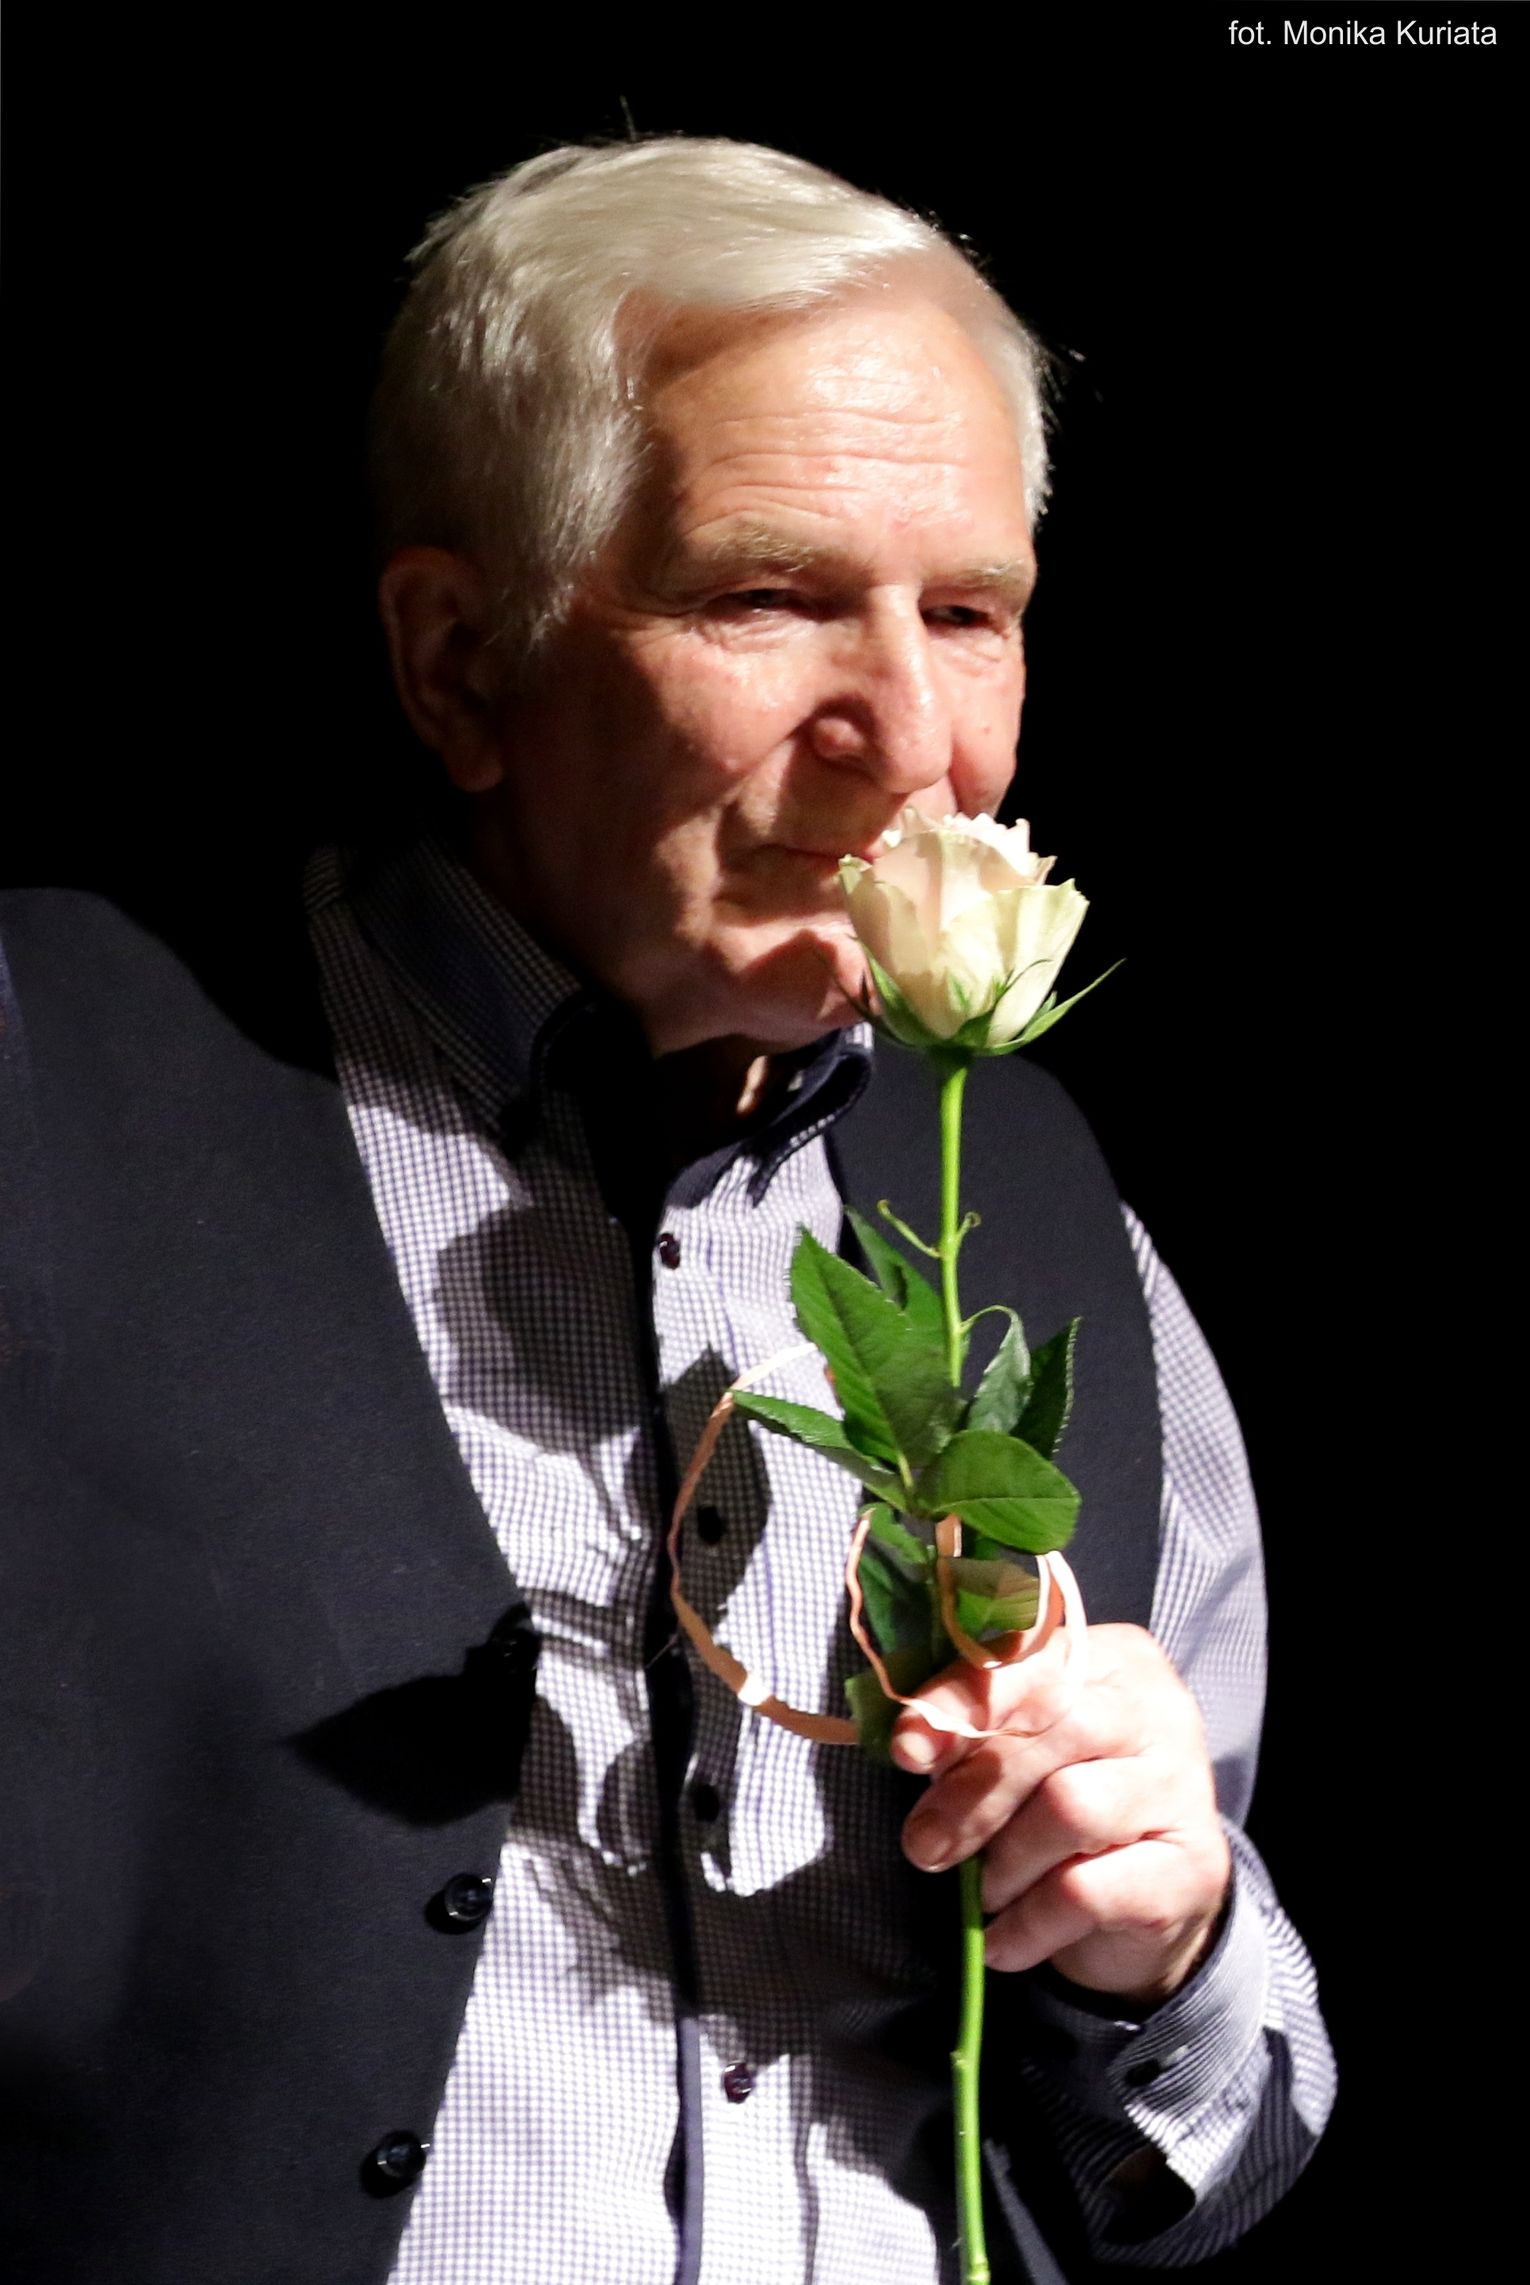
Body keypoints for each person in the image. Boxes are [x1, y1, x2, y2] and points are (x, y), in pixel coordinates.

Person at [0, 138, 1334, 2284]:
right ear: (458, 664)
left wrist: (1154, 1955)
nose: (912, 743)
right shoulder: (47, 1086)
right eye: (767, 598)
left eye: (969, 615)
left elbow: (1210, 2146)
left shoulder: (1044, 1202)